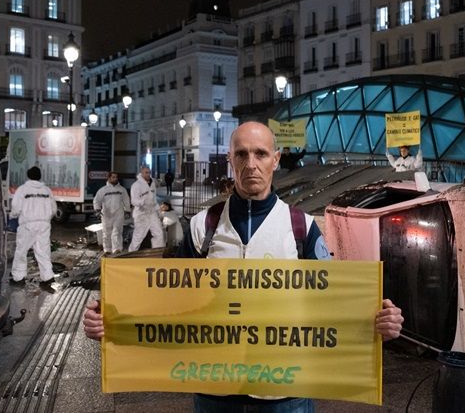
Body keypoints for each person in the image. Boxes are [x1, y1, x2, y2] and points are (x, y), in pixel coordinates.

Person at [84, 122, 404, 413]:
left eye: (261, 154)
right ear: (230, 159)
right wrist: (113, 320)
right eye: (242, 154)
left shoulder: (301, 228)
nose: (251, 164)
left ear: (275, 160)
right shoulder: (201, 227)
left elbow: (335, 305)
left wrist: (377, 322)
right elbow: (166, 303)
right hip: (214, 394)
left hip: (285, 396)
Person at [9, 166, 57, 291]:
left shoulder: (23, 190)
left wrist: (12, 215)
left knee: (21, 250)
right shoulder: (47, 190)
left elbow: (16, 207)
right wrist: (45, 218)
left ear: (28, 176)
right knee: (43, 251)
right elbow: (53, 209)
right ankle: (47, 277)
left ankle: (18, 278)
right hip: (44, 225)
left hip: (28, 224)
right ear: (40, 176)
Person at [128, 166, 165, 251]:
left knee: (159, 233)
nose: (148, 174)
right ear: (141, 173)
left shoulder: (152, 184)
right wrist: (142, 202)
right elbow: (133, 201)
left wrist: (158, 211)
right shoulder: (136, 185)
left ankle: (157, 252)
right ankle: (131, 254)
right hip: (141, 214)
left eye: (149, 172)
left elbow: (154, 199)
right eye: (146, 172)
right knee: (138, 236)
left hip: (152, 213)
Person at [93, 172, 130, 256]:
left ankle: (117, 249)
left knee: (117, 231)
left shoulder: (121, 190)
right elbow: (97, 200)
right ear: (109, 178)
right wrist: (97, 210)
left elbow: (126, 200)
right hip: (106, 214)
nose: (115, 179)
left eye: (116, 177)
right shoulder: (103, 190)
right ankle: (107, 250)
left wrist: (127, 210)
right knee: (107, 232)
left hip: (118, 214)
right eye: (113, 177)